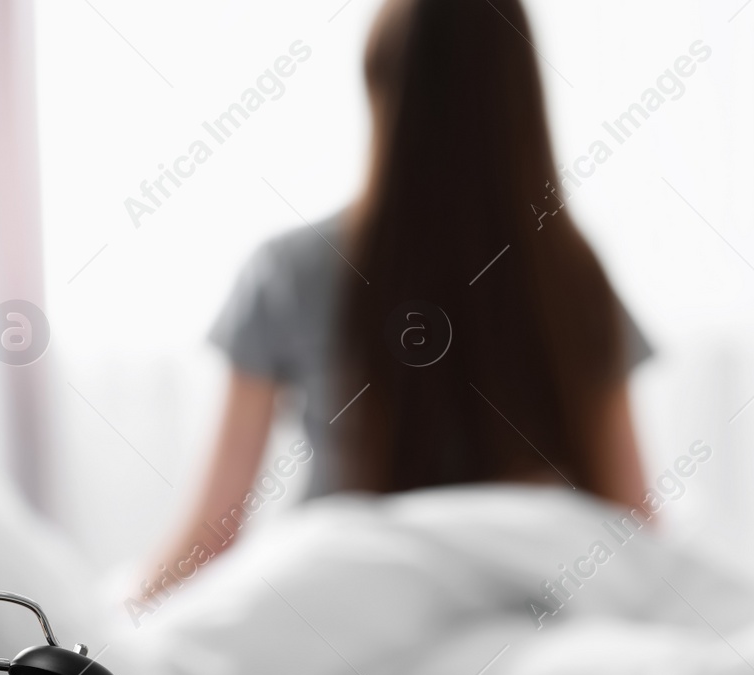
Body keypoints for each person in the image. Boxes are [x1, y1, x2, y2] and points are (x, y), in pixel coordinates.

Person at [142, 0, 653, 596]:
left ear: (379, 83)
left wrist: (107, 636)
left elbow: (211, 535)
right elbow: (631, 517)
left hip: (340, 600)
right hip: (525, 601)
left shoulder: (289, 270)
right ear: (523, 97)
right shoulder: (570, 271)